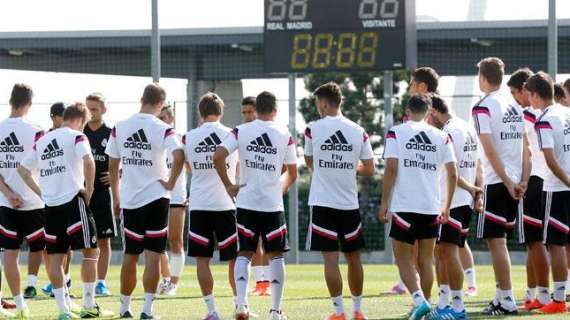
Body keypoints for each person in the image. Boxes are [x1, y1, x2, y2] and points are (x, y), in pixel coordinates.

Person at [18, 102, 114, 320]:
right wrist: (89, 191)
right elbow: (89, 162)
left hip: (50, 206)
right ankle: (89, 305)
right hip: (73, 201)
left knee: (55, 258)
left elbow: (23, 170)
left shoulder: (41, 141)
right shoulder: (77, 137)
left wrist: (41, 192)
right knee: (91, 251)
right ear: (80, 119)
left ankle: (63, 311)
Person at [213, 91, 297, 320]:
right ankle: (275, 311)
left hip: (246, 202)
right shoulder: (284, 133)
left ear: (257, 109)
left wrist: (230, 185)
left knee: (245, 253)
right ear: (275, 111)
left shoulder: (241, 130)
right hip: (272, 204)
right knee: (276, 256)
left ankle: (241, 305)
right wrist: (281, 187)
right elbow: (293, 172)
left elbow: (217, 156)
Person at [106, 83, 184, 319]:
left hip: (130, 200)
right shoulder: (164, 128)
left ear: (142, 99)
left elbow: (112, 166)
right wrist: (170, 183)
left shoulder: (120, 126)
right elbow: (179, 154)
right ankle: (147, 310)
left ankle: (124, 308)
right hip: (157, 199)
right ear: (162, 104)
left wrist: (116, 198)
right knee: (153, 256)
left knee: (130, 256)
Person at [379, 94, 458, 320]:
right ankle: (425, 308)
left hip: (405, 206)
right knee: (426, 260)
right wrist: (447, 206)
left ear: (407, 110)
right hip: (431, 206)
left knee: (402, 258)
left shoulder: (397, 132)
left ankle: (419, 301)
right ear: (429, 111)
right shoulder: (442, 137)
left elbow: (391, 169)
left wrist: (384, 202)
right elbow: (452, 173)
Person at [304, 82, 374, 320]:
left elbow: (310, 162)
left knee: (330, 260)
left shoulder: (312, 128)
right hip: (349, 204)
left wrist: (328, 167)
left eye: (317, 104)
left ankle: (338, 312)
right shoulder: (358, 130)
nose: (318, 109)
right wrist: (348, 166)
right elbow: (369, 169)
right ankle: (357, 310)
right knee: (354, 258)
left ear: (323, 103)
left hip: (323, 203)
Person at [472, 57, 531, 316]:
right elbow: (524, 148)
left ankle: (507, 300)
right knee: (501, 241)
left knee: (497, 243)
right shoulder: (515, 106)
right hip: (515, 181)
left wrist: (507, 182)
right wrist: (522, 181)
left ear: (483, 78)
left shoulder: (482, 107)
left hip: (498, 183)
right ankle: (499, 298)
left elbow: (488, 149)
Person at [427, 95, 482, 320]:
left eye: (429, 116)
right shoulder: (467, 127)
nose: (428, 121)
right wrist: (477, 191)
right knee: (442, 253)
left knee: (448, 254)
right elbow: (478, 164)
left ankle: (458, 308)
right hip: (463, 201)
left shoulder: (448, 132)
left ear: (434, 112)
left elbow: (452, 172)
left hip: (453, 201)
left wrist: (472, 190)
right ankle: (443, 304)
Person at [185, 93, 239, 320]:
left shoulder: (189, 136)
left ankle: (212, 311)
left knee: (202, 260)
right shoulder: (231, 134)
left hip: (199, 204)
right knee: (234, 258)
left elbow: (187, 165)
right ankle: (240, 305)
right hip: (227, 203)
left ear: (200, 112)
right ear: (221, 111)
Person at [390, 67, 443, 296]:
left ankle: (427, 295)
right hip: (431, 198)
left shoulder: (428, 114)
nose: (410, 86)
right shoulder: (431, 113)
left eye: (412, 83)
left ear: (422, 86)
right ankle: (426, 298)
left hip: (419, 195)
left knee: (431, 254)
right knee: (427, 255)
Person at [506, 69, 551, 310]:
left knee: (535, 242)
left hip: (534, 180)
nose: (515, 98)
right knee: (538, 242)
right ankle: (533, 293)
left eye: (515, 93)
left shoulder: (525, 116)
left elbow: (524, 152)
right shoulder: (551, 114)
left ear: (526, 90)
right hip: (550, 182)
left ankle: (542, 295)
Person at [0, 84, 46, 318]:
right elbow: (45, 163)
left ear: (10, 101)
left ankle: (20, 304)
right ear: (29, 103)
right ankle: (63, 302)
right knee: (50, 250)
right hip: (35, 200)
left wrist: (8, 194)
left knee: (10, 253)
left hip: (7, 202)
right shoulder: (37, 129)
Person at [528, 71, 570, 314]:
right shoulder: (566, 112)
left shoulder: (543, 120)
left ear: (534, 95)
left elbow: (551, 161)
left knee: (556, 244)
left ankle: (559, 299)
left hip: (556, 188)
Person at [84, 93, 115, 297]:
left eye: (94, 109)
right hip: (81, 194)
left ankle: (101, 282)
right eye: (87, 109)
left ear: (104, 109)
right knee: (74, 241)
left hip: (102, 194)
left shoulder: (111, 133)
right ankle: (64, 279)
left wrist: (116, 175)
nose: (90, 113)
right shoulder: (79, 132)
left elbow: (124, 159)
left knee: (104, 240)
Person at [241, 96, 271, 296]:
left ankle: (266, 282)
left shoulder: (272, 132)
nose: (247, 116)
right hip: (247, 197)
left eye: (250, 112)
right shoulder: (241, 134)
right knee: (253, 244)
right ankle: (261, 281)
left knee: (268, 243)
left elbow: (285, 167)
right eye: (244, 112)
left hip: (268, 198)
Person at [43, 102, 74, 298]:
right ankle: (56, 283)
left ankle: (66, 280)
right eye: (62, 116)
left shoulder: (72, 136)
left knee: (67, 245)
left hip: (69, 197)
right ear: (54, 118)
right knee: (51, 247)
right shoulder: (45, 138)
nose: (66, 120)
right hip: (50, 199)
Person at [156, 105, 188, 296]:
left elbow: (192, 166)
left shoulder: (181, 140)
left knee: (175, 240)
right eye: (157, 117)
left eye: (163, 117)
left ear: (171, 119)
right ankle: (167, 278)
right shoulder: (151, 139)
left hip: (176, 196)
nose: (160, 120)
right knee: (156, 242)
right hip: (155, 196)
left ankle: (173, 283)